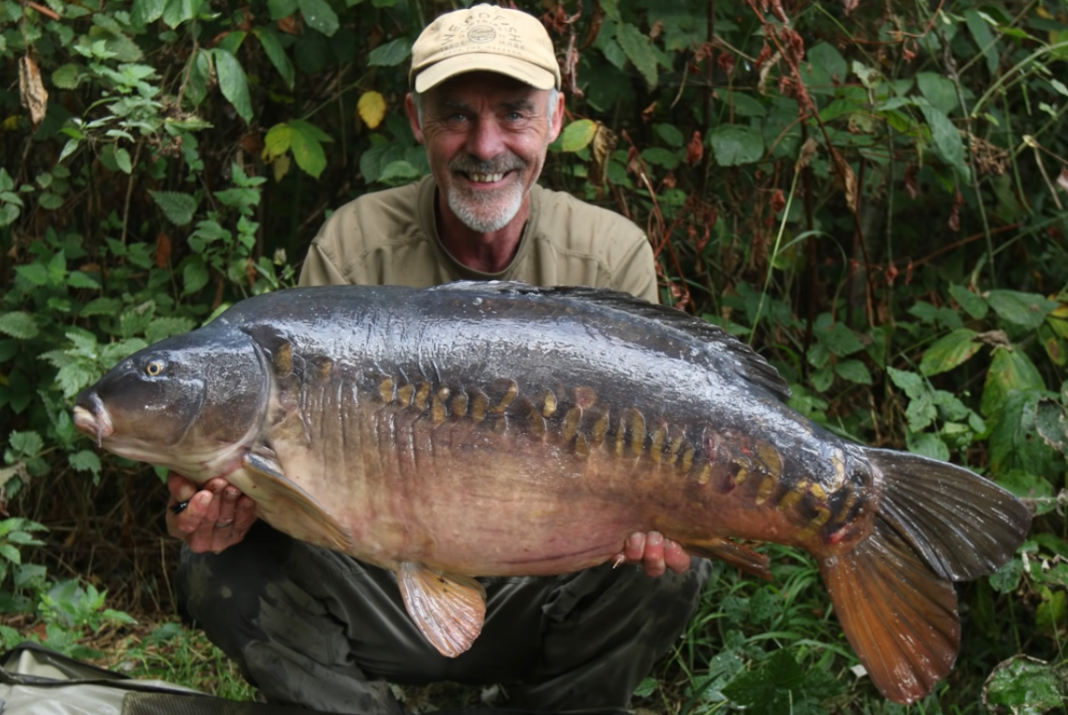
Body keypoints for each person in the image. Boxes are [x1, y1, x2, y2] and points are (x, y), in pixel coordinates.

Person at [166, 5, 711, 714]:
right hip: (381, 577)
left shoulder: (608, 254)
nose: (485, 146)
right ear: (416, 120)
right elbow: (285, 457)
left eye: (513, 114)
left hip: (545, 578)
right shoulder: (355, 245)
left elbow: (648, 451)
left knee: (671, 570)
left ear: (553, 118)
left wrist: (653, 513)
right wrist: (209, 501)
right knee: (214, 561)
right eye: (455, 115)